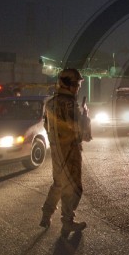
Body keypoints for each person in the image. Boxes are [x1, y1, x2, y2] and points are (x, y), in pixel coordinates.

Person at [40, 68, 92, 237]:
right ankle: (67, 222)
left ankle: (46, 214)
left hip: (56, 151)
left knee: (58, 183)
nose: (78, 88)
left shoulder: (50, 103)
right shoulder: (70, 104)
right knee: (74, 188)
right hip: (70, 151)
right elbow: (82, 134)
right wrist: (85, 117)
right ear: (69, 84)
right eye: (77, 84)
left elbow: (47, 127)